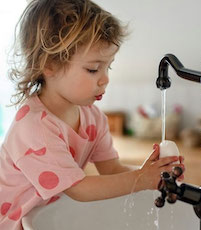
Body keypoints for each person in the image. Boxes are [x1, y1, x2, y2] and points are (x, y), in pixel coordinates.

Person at [0, 0, 184, 229]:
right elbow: (79, 188)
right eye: (93, 69)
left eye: (109, 67)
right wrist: (141, 180)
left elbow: (113, 170)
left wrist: (152, 173)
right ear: (49, 65)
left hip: (53, 214)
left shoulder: (93, 119)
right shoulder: (34, 127)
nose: (105, 78)